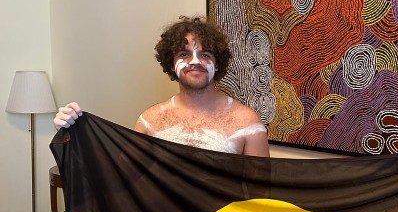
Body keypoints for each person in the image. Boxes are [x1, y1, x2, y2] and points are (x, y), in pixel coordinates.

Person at [54, 16, 269, 157]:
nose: (195, 62)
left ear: (218, 62)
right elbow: (122, 177)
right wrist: (73, 135)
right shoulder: (150, 121)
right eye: (184, 54)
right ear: (171, 63)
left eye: (205, 55)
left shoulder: (247, 123)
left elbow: (262, 195)